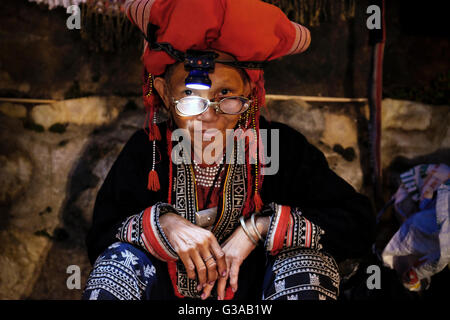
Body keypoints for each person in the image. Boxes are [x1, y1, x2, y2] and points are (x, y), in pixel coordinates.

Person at [82, 0, 375, 301]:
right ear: (164, 92)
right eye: (191, 97)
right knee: (116, 265)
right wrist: (163, 225)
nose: (208, 115)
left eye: (226, 95)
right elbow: (101, 239)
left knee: (306, 260)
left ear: (249, 91)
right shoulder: (148, 151)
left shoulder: (282, 147)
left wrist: (260, 228)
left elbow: (357, 224)